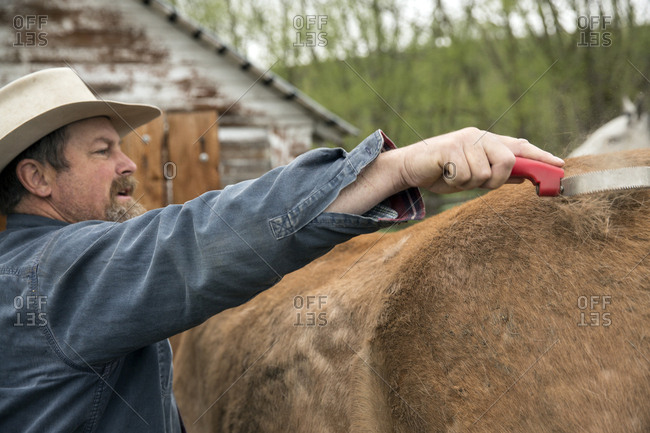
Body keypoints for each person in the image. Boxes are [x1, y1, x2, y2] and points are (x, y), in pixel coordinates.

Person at [0, 67, 564, 432]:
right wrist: (397, 167)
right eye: (102, 151)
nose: (128, 166)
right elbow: (194, 242)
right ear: (37, 177)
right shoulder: (44, 277)